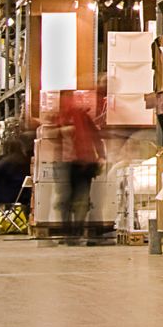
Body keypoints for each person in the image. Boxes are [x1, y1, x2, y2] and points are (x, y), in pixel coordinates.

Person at [55, 89, 105, 244]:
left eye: (69, 97)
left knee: (81, 198)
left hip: (84, 162)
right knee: (66, 199)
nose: (67, 101)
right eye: (65, 98)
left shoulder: (82, 116)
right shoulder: (60, 118)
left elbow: (95, 135)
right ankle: (68, 232)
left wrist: (101, 155)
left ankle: (75, 232)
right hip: (67, 163)